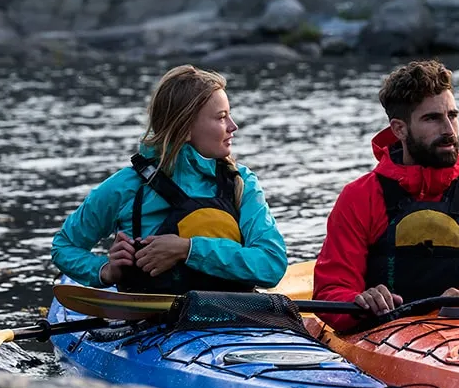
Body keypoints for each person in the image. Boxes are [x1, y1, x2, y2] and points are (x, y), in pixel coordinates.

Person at [313, 59, 459, 332]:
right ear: (399, 129)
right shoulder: (359, 197)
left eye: (452, 116)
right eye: (432, 118)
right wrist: (359, 301)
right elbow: (330, 292)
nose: (449, 130)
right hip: (385, 334)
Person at [52, 64, 287, 294]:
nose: (233, 126)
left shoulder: (241, 183)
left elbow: (271, 264)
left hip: (231, 311)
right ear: (184, 129)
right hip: (147, 314)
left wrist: (188, 249)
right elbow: (65, 246)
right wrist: (105, 271)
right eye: (221, 117)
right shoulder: (126, 186)